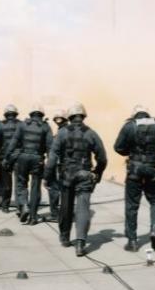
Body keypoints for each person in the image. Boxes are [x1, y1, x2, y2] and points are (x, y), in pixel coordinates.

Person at [44, 103, 107, 256]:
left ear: (70, 117)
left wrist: (47, 177)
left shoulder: (62, 133)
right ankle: (80, 243)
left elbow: (52, 158)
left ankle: (65, 238)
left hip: (66, 174)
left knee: (65, 206)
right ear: (83, 116)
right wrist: (97, 174)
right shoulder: (91, 133)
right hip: (85, 174)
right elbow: (103, 158)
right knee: (83, 208)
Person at [114, 105, 155, 252]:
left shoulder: (129, 126)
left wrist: (131, 151)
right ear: (148, 114)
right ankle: (154, 230)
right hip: (153, 169)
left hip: (134, 170)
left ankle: (133, 241)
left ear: (134, 115)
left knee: (132, 205)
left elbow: (118, 147)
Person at [4, 105, 53, 225]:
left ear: (31, 114)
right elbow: (50, 147)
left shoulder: (22, 124)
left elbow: (13, 142)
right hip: (38, 159)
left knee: (21, 184)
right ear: (42, 114)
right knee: (35, 187)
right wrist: (49, 164)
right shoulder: (45, 126)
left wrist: (7, 157)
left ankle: (24, 205)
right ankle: (33, 216)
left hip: (23, 158)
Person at [0, 104, 21, 213]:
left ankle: (5, 206)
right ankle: (19, 205)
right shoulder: (21, 124)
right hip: (18, 157)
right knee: (19, 182)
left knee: (6, 182)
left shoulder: (0, 125)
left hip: (5, 157)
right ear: (16, 114)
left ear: (6, 114)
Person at [45, 109, 68, 222]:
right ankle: (65, 213)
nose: (57, 121)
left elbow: (54, 153)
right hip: (68, 165)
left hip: (59, 165)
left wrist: (47, 172)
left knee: (53, 188)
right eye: (56, 119)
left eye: (59, 119)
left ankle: (55, 214)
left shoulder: (61, 132)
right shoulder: (68, 130)